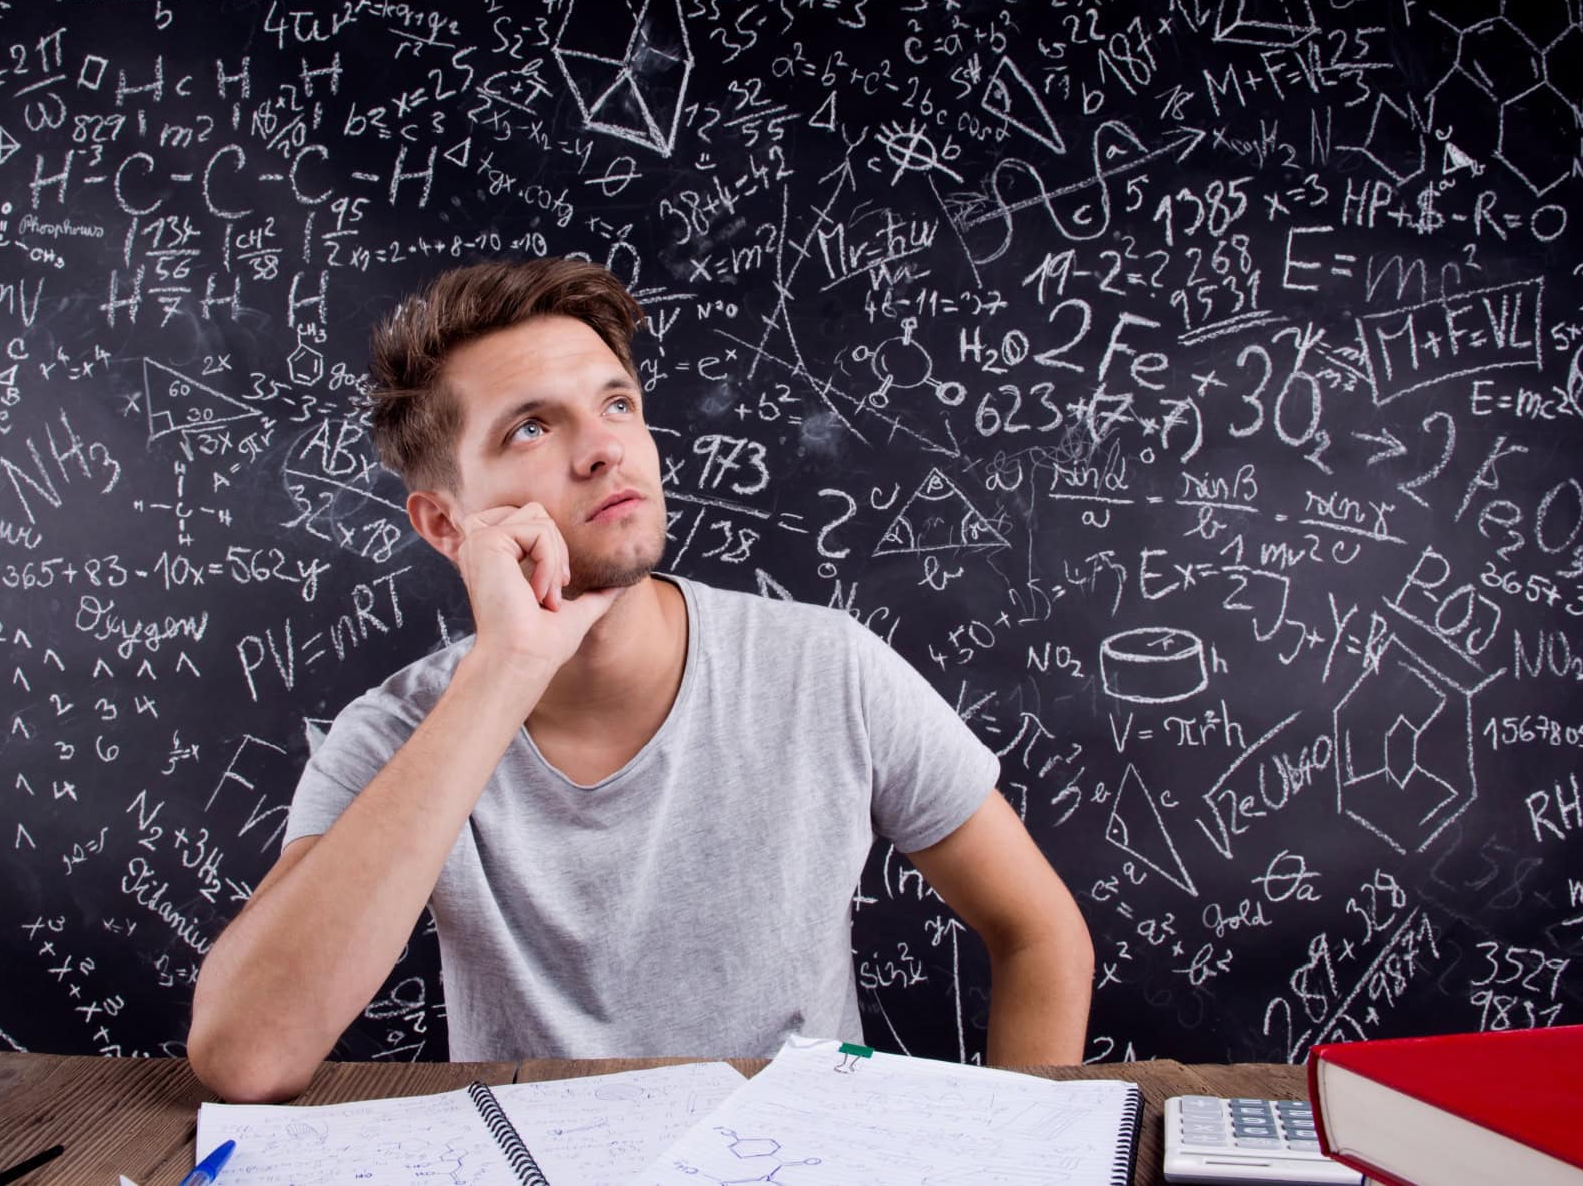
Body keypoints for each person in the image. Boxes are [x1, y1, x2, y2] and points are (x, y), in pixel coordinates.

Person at [187, 258, 1094, 1102]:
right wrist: (506, 668)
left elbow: (1040, 933)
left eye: (616, 405)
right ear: (443, 522)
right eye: (532, 427)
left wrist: (1019, 1150)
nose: (603, 450)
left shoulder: (829, 669)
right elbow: (246, 1055)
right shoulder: (393, 737)